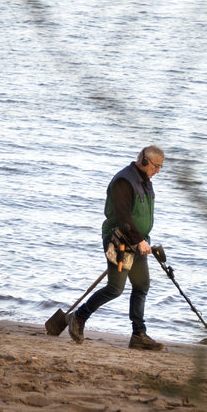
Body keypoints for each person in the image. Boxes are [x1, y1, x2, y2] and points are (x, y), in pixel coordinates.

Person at [64, 145, 164, 350]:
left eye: (160, 167)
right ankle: (78, 317)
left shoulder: (145, 182)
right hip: (118, 241)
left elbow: (139, 216)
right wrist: (139, 241)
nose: (158, 171)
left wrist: (143, 240)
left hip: (138, 241)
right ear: (145, 161)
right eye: (156, 166)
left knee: (142, 285)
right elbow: (122, 217)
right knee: (115, 288)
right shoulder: (123, 181)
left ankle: (138, 335)